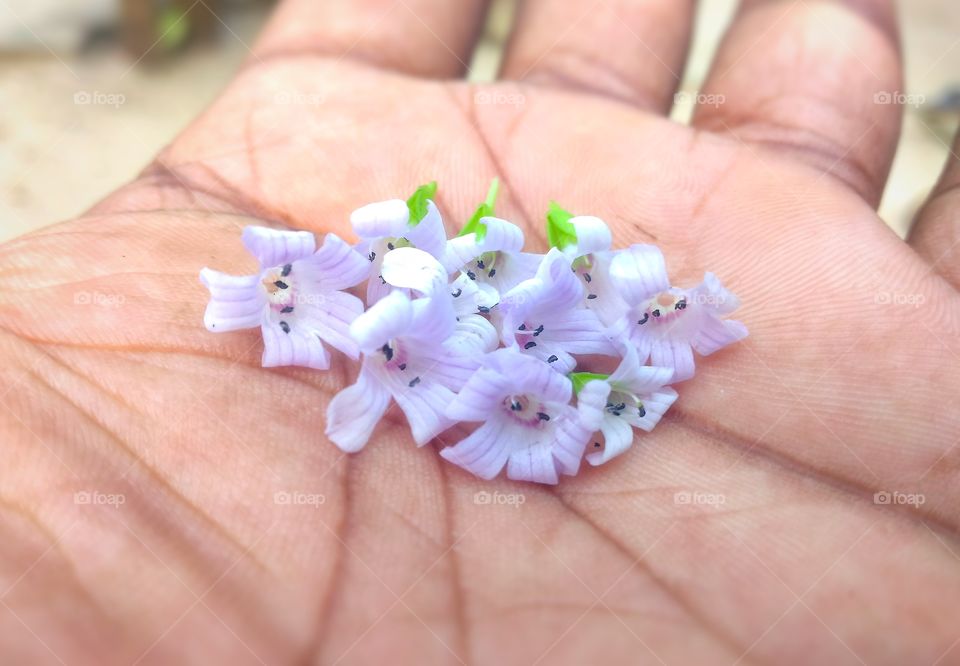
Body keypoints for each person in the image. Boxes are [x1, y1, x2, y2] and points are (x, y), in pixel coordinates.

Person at [1, 0, 959, 663]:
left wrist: (580, 361)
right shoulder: (394, 312)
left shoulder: (530, 334)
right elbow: (410, 337)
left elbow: (504, 355)